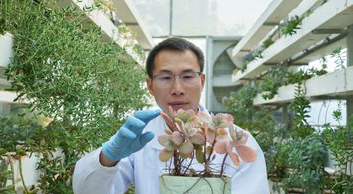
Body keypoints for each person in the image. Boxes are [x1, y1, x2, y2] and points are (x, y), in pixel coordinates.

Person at [72, 37, 269, 194]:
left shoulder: (239, 141)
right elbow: (87, 191)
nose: (177, 89)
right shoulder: (141, 138)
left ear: (202, 81)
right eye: (165, 77)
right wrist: (108, 158)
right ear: (150, 85)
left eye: (187, 76)